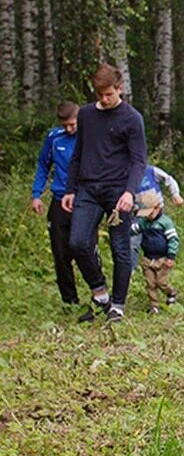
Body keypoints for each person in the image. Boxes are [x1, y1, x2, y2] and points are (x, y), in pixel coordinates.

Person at [62, 64, 147, 323]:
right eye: (100, 94)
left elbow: (138, 160)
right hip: (88, 188)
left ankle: (118, 305)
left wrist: (130, 192)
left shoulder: (132, 118)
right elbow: (78, 154)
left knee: (120, 248)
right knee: (77, 242)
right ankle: (100, 293)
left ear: (119, 89)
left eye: (109, 94)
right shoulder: (86, 115)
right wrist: (70, 189)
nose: (104, 99)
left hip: (118, 191)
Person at [30, 101, 80, 305]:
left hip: (84, 201)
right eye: (65, 125)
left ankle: (99, 294)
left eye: (73, 124)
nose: (69, 129)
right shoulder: (54, 138)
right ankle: (70, 301)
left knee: (84, 248)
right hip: (59, 201)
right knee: (60, 253)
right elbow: (43, 165)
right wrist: (36, 194)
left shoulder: (88, 135)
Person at [130, 192, 179, 314]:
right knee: (150, 283)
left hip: (162, 258)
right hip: (148, 258)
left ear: (158, 208)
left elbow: (173, 239)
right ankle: (154, 305)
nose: (147, 216)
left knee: (161, 282)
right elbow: (134, 230)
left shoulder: (165, 222)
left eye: (150, 213)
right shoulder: (143, 222)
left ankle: (170, 293)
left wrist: (171, 256)